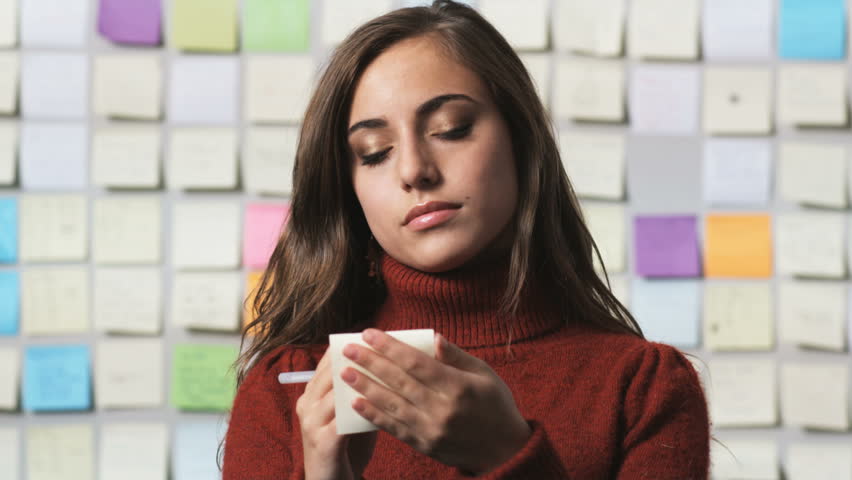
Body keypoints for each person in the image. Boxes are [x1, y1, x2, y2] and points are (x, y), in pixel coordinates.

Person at [222, 1, 711, 478]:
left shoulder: (643, 387)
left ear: (520, 141)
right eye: (374, 153)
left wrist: (507, 455)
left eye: (451, 129)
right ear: (349, 190)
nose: (414, 170)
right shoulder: (287, 390)